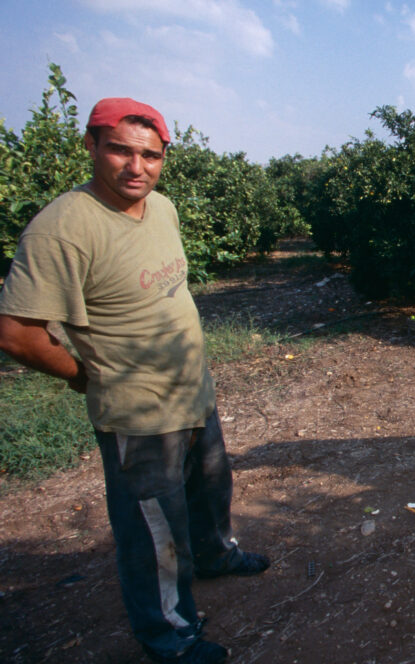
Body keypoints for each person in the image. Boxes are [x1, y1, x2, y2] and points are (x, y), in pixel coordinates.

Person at [0, 98, 269, 663]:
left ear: (164, 157)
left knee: (209, 489)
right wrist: (85, 378)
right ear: (92, 146)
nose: (135, 166)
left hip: (191, 391)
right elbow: (17, 334)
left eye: (149, 154)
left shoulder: (162, 209)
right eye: (120, 149)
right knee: (155, 534)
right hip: (139, 414)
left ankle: (217, 555)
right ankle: (169, 635)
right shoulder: (63, 229)